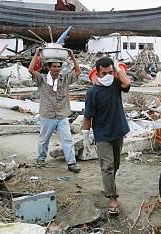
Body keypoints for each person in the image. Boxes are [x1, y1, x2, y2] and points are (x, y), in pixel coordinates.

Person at [83, 56, 132, 215]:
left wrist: (117, 69)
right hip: (102, 135)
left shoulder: (116, 85)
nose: (108, 76)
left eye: (110, 72)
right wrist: (85, 136)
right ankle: (112, 199)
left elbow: (127, 83)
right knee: (108, 166)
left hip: (118, 131)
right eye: (104, 73)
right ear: (97, 73)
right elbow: (87, 116)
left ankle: (107, 185)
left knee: (115, 165)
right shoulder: (92, 93)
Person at [28, 48, 81, 172]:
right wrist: (36, 54)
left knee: (67, 139)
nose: (57, 68)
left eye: (58, 66)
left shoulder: (65, 79)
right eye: (54, 66)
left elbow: (78, 71)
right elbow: (30, 70)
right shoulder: (42, 79)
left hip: (62, 115)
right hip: (48, 115)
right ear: (49, 68)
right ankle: (41, 159)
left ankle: (71, 163)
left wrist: (72, 56)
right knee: (44, 139)